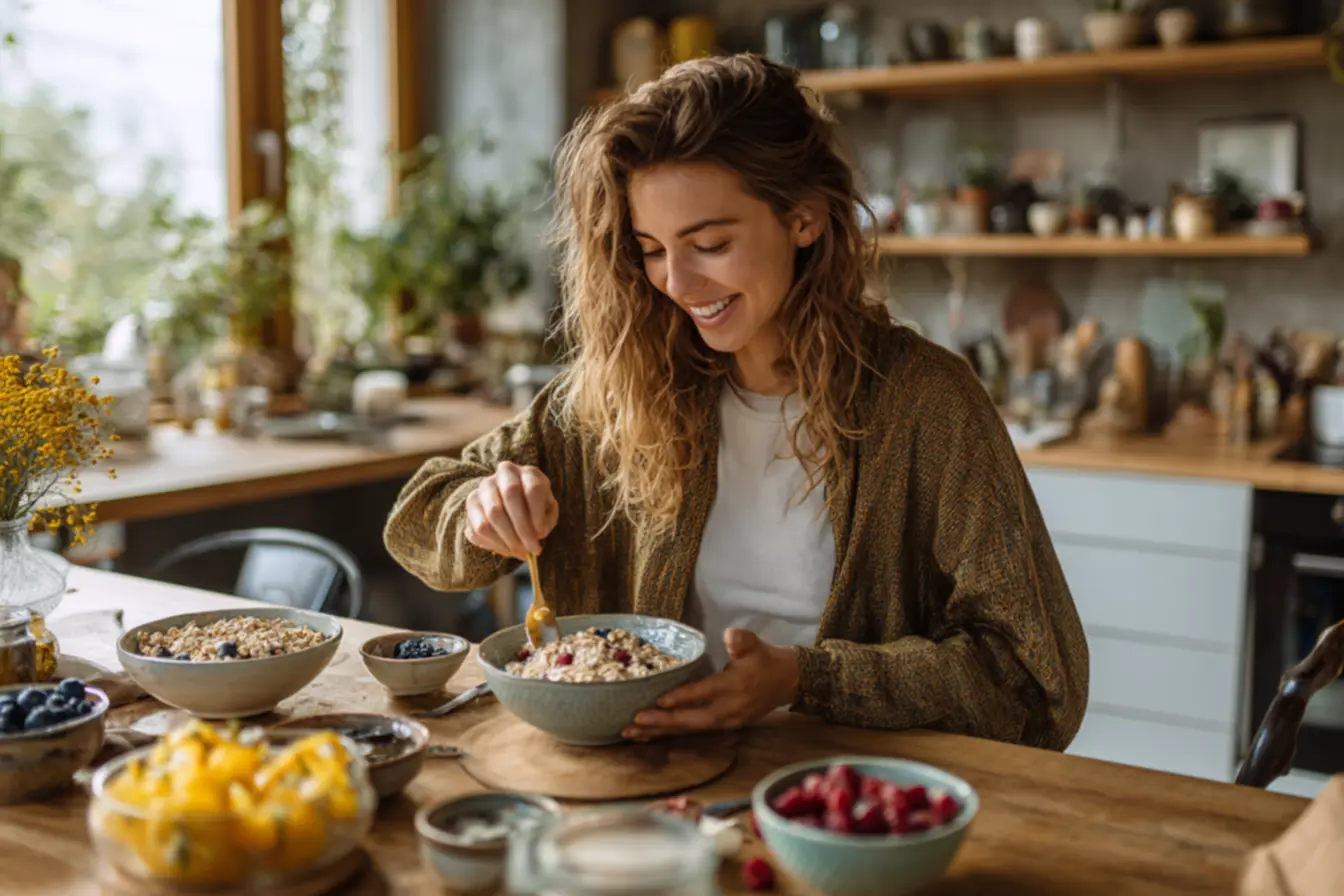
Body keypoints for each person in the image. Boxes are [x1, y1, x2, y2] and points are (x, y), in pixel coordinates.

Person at [384, 53, 1088, 750]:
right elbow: (417, 523)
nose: (678, 283)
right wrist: (478, 510)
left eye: (711, 243)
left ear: (804, 219)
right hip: (651, 787)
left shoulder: (926, 406)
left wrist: (804, 680)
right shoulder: (622, 392)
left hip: (843, 804)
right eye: (651, 248)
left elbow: (1032, 681)